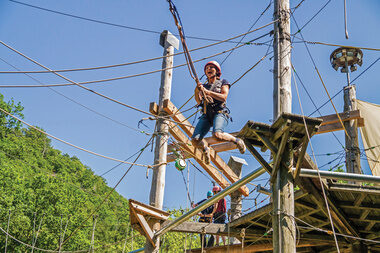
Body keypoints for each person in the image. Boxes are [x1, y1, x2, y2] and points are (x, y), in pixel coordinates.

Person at [191, 61, 246, 164]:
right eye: (207, 68)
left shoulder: (222, 82)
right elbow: (199, 101)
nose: (209, 69)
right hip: (207, 114)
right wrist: (197, 90)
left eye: (212, 68)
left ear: (217, 71)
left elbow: (224, 97)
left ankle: (237, 141)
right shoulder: (204, 87)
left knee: (217, 135)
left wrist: (208, 93)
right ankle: (205, 148)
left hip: (219, 112)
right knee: (195, 140)